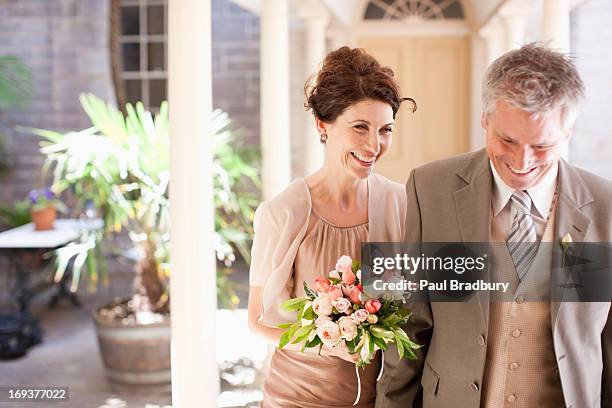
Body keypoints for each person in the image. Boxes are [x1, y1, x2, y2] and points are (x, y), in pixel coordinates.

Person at [376, 43, 611, 408]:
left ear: (569, 131)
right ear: (484, 119)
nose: (522, 161)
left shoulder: (605, 207)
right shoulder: (430, 189)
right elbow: (409, 324)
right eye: (507, 140)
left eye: (542, 145)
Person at [247, 46, 415, 408]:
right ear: (322, 124)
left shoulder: (400, 204)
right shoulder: (283, 213)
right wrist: (332, 339)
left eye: (385, 130)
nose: (374, 144)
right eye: (360, 128)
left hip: (378, 397)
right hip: (295, 397)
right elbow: (257, 321)